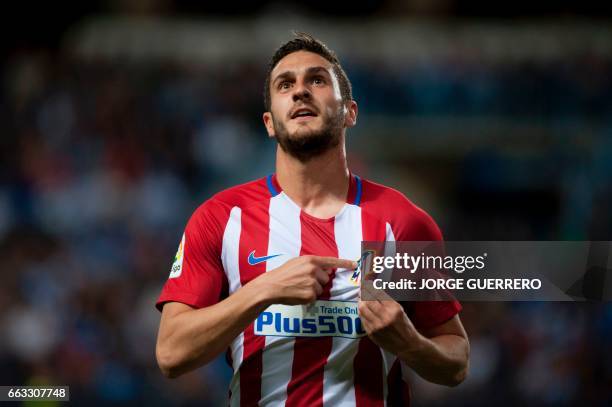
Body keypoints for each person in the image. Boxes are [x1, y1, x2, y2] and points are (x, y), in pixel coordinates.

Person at [155, 32, 469, 406]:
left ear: (350, 111)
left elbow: (456, 362)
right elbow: (171, 354)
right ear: (270, 123)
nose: (300, 91)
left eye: (317, 80)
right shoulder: (221, 218)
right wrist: (264, 289)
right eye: (285, 84)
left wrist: (410, 343)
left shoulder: (403, 222)